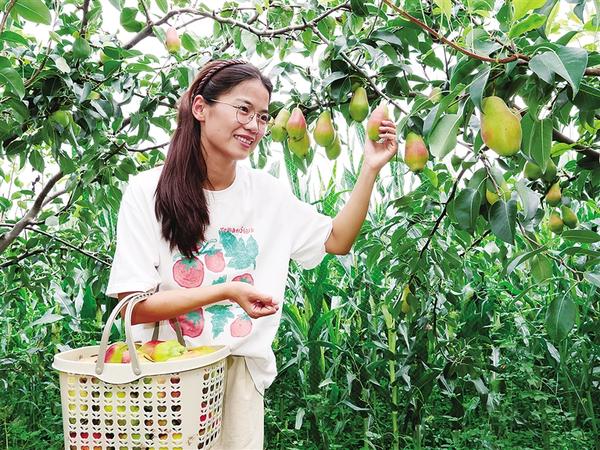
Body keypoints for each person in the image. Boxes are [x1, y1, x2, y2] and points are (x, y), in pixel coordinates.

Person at [105, 59, 398, 449]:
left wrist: (370, 167)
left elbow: (337, 239)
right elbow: (133, 307)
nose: (254, 126)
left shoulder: (267, 193)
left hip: (239, 377)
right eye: (243, 109)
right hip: (163, 373)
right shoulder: (148, 192)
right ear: (200, 108)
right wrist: (226, 292)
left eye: (262, 116)